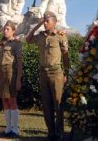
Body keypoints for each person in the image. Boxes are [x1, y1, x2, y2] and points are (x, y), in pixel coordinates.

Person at [26, 11, 70, 140]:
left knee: (58, 102)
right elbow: (28, 39)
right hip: (43, 73)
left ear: (54, 23)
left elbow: (66, 57)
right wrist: (38, 23)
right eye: (44, 21)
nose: (45, 23)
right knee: (46, 104)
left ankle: (59, 132)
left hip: (56, 73)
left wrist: (66, 73)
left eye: (47, 21)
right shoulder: (40, 36)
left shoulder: (60, 37)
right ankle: (50, 132)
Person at [0, 20, 23, 137]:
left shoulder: (16, 44)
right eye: (5, 29)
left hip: (11, 73)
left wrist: (18, 79)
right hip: (1, 73)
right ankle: (8, 128)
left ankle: (15, 129)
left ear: (13, 31)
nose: (6, 31)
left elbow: (19, 62)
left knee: (12, 100)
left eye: (8, 29)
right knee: (4, 99)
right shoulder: (1, 43)